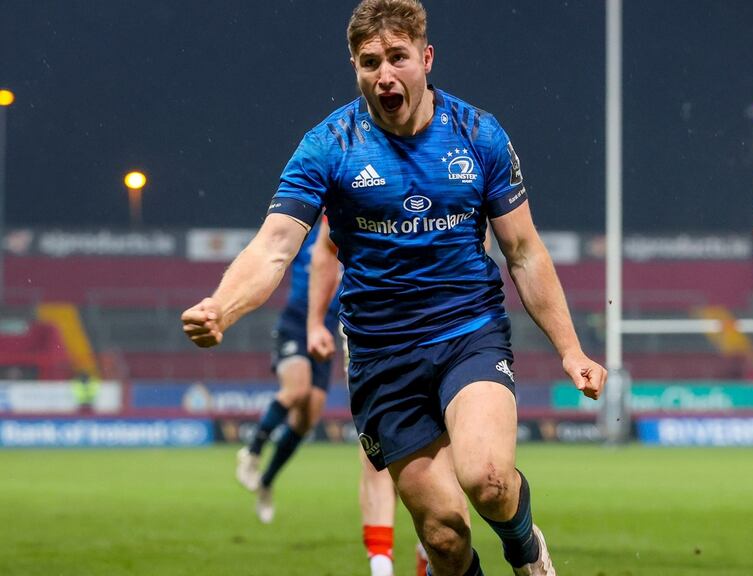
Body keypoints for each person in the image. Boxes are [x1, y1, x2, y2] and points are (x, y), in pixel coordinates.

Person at [181, 1, 606, 574]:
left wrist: (570, 348)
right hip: (383, 358)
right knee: (445, 537)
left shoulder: (478, 134)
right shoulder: (328, 147)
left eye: (398, 58)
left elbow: (524, 252)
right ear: (355, 68)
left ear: (426, 59)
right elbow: (275, 246)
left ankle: (527, 550)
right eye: (369, 61)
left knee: (488, 479)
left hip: (469, 334)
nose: (385, 75)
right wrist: (222, 307)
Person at [306, 221, 430, 576]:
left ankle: (430, 552)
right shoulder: (351, 168)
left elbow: (480, 238)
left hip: (445, 324)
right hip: (372, 327)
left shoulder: (458, 169)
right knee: (376, 448)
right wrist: (316, 323)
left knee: (440, 453)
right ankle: (381, 567)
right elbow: (325, 249)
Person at [234, 218, 343, 525]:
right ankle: (252, 452)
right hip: (295, 326)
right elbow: (275, 244)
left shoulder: (354, 244)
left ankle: (266, 482)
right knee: (297, 390)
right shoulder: (309, 240)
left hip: (324, 333)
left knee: (307, 417)